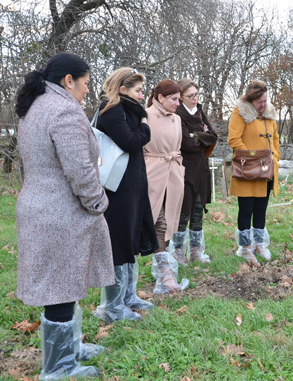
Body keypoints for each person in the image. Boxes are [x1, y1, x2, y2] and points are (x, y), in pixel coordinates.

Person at [15, 53, 114, 381]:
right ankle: (59, 367)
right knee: (59, 287)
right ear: (68, 80)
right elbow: (80, 170)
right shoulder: (63, 110)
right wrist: (98, 201)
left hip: (43, 206)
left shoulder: (37, 105)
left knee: (62, 284)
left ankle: (68, 349)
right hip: (61, 211)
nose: (88, 91)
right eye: (85, 83)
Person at [92, 68, 159, 323]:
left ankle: (128, 295)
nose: (142, 96)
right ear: (122, 89)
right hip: (116, 187)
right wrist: (145, 130)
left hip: (132, 185)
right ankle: (112, 305)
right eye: (138, 90)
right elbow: (129, 141)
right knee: (119, 241)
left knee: (132, 236)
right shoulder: (112, 110)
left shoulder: (129, 110)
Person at [228, 80, 281, 262]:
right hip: (247, 170)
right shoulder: (240, 113)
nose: (263, 104)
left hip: (267, 169)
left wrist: (275, 155)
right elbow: (234, 139)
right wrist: (251, 158)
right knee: (246, 210)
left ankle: (259, 245)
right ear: (251, 101)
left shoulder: (269, 114)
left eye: (265, 100)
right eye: (260, 102)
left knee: (261, 209)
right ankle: (245, 248)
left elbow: (275, 138)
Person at [145, 79, 188, 293]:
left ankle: (164, 275)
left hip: (173, 172)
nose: (178, 103)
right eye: (174, 99)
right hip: (152, 172)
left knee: (170, 221)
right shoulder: (145, 116)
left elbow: (179, 145)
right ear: (159, 98)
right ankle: (165, 274)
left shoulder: (178, 119)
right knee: (158, 221)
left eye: (179, 99)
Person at [173, 78, 218, 265]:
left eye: (196, 95)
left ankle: (196, 251)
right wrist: (201, 136)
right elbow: (187, 143)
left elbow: (214, 136)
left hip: (201, 168)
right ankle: (177, 251)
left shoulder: (199, 111)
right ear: (181, 97)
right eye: (190, 96)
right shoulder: (178, 114)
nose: (194, 99)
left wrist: (197, 135)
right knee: (184, 211)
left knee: (198, 210)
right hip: (184, 169)